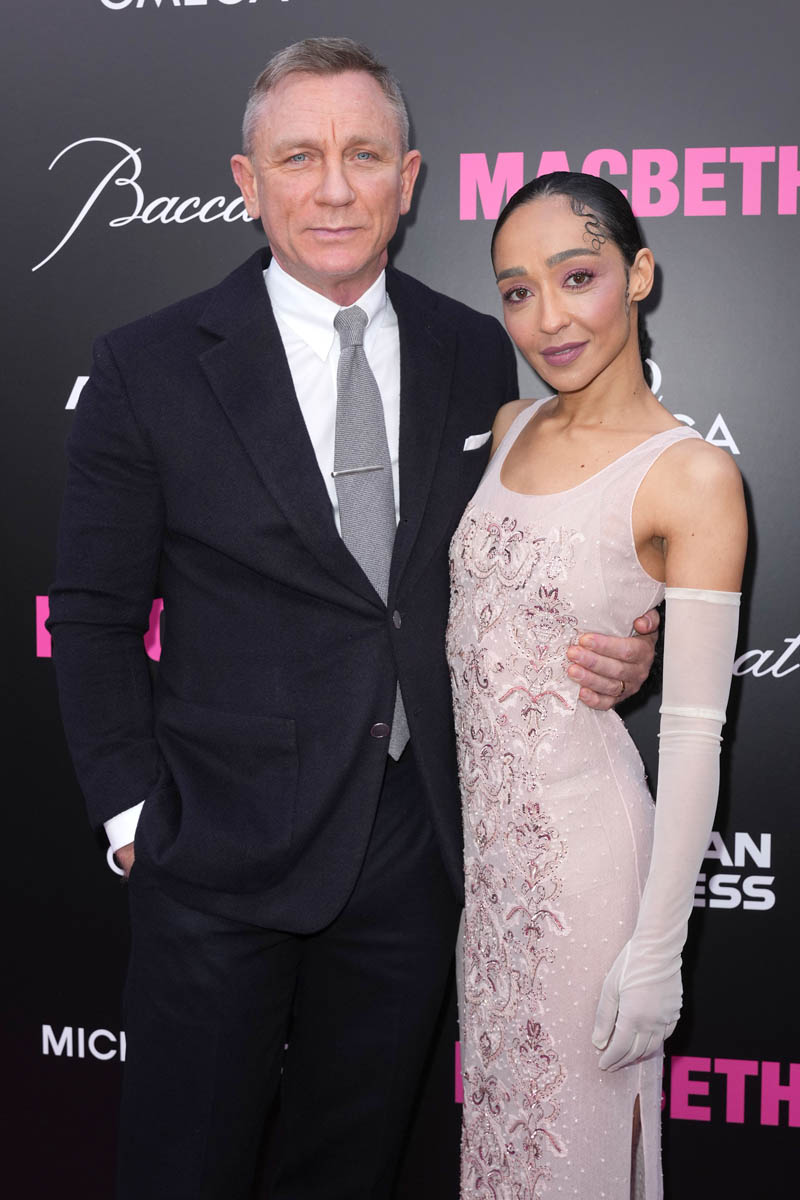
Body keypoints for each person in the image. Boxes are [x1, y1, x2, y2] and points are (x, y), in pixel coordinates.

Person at [48, 43, 658, 1200]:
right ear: (247, 181)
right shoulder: (147, 365)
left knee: (355, 1168)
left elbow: (508, 557)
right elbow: (89, 614)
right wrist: (134, 817)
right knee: (183, 1167)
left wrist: (621, 643)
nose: (333, 188)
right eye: (299, 157)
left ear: (408, 179)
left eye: (363, 155)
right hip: (214, 847)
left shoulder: (471, 346)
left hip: (413, 844)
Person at [447, 171, 747, 1199]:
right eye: (517, 291)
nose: (548, 317)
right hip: (491, 889)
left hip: (590, 878)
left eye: (577, 276)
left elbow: (695, 735)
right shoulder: (509, 426)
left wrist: (657, 949)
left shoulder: (691, 476)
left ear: (639, 273)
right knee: (501, 1159)